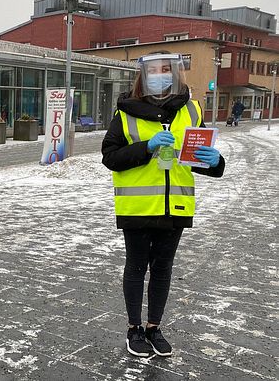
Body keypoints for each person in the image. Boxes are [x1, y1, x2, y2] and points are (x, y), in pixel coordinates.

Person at [101, 52, 225, 358]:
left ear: (176, 74)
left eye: (165, 70)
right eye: (153, 71)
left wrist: (215, 162)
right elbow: (110, 158)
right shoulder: (126, 114)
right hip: (138, 207)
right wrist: (148, 147)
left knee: (163, 269)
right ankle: (134, 329)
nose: (159, 75)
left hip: (176, 207)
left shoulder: (192, 111)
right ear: (143, 76)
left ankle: (154, 327)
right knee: (136, 267)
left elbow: (197, 156)